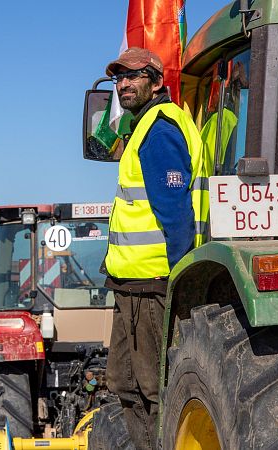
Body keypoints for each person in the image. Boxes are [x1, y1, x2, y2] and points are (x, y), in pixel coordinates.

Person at [102, 47, 209, 450]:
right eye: (119, 78)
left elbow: (175, 214)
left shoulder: (160, 130)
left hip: (152, 286)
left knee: (150, 390)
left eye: (134, 76)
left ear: (157, 82)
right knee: (128, 386)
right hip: (134, 285)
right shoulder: (145, 126)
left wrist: (177, 281)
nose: (123, 85)